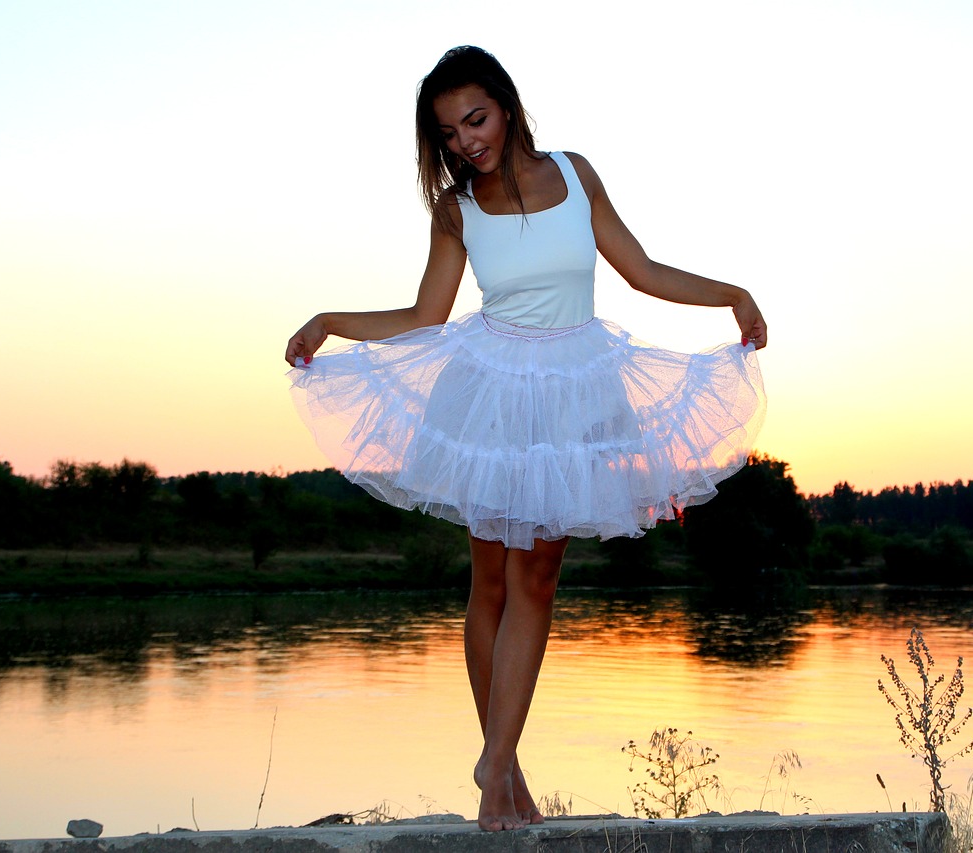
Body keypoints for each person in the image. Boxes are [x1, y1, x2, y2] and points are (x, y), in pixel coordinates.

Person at [284, 46, 767, 832]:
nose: (466, 140)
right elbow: (424, 317)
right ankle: (502, 773)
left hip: (578, 391)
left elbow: (639, 269)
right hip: (490, 394)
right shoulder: (455, 208)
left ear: (506, 106)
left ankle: (495, 762)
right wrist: (331, 322)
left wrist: (732, 295)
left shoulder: (575, 173)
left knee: (537, 577)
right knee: (492, 584)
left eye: (475, 118)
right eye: (448, 132)